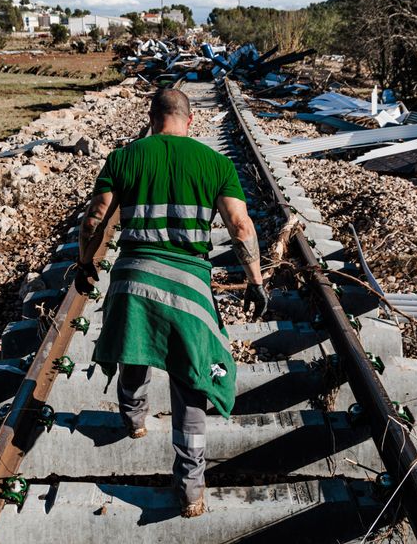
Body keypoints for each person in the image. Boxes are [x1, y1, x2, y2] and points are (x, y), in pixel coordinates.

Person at [74, 88, 268, 518]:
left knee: (134, 352)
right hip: (188, 287)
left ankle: (134, 419)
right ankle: (191, 488)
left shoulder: (124, 158)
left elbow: (95, 219)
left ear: (151, 118)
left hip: (132, 279)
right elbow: (240, 225)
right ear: (190, 121)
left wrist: (85, 263)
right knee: (191, 385)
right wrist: (255, 280)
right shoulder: (216, 164)